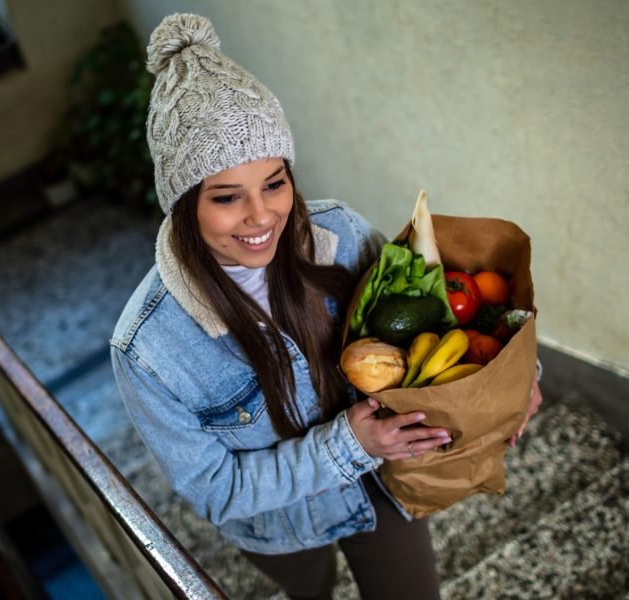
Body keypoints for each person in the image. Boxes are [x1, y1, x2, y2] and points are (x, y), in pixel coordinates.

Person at [111, 13, 540, 599]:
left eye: (275, 183)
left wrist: (515, 380)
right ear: (183, 206)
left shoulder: (340, 232)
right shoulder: (148, 349)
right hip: (278, 528)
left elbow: (442, 314)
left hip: (381, 485)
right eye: (227, 197)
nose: (262, 216)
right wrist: (348, 446)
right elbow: (215, 489)